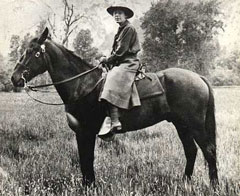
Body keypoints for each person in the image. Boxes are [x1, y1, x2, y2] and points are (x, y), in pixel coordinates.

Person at [99, 5, 141, 138]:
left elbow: (121, 51)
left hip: (128, 62)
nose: (116, 15)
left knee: (111, 80)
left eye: (120, 13)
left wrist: (107, 59)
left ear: (126, 15)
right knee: (104, 77)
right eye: (115, 13)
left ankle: (115, 120)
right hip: (121, 61)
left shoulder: (129, 28)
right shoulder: (121, 29)